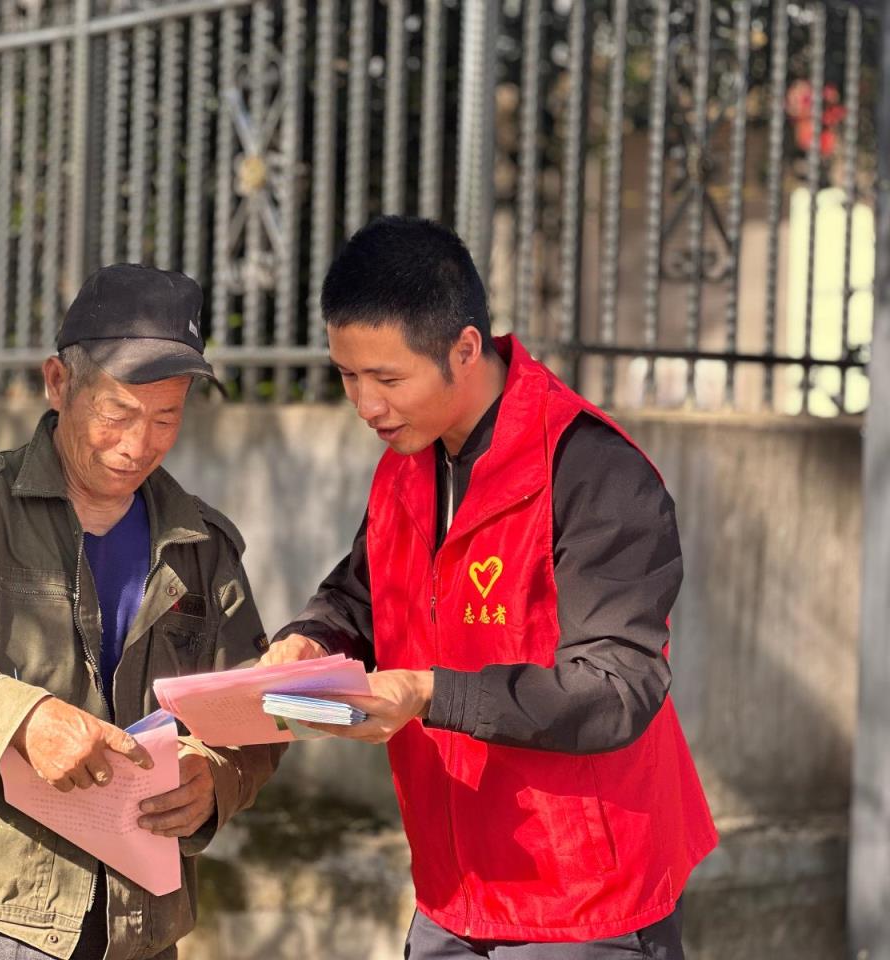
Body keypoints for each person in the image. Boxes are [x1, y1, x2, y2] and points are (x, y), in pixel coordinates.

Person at [262, 216, 717, 958]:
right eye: (347, 376)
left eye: (387, 378)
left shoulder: (593, 471)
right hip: (451, 891)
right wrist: (309, 639)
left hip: (581, 906)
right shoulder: (407, 458)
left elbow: (616, 687)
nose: (365, 405)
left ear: (465, 348)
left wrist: (428, 694)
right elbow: (362, 594)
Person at [0, 263, 282, 960]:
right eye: (117, 412)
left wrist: (217, 779)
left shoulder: (203, 543)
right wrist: (17, 719)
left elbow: (251, 713)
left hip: (140, 928)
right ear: (58, 383)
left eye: (166, 417)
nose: (138, 443)